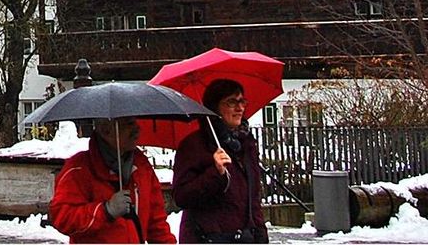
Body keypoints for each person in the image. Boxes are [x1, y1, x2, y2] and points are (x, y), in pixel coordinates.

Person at [49, 117, 174, 243]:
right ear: (106, 130)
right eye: (129, 124)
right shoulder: (79, 169)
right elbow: (62, 217)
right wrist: (106, 210)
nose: (137, 128)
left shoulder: (142, 165)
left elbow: (156, 222)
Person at [172, 81, 267, 244]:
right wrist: (216, 174)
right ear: (214, 108)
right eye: (231, 102)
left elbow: (253, 198)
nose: (240, 108)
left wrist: (260, 234)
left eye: (242, 101)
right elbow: (182, 197)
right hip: (209, 238)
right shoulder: (194, 145)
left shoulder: (246, 144)